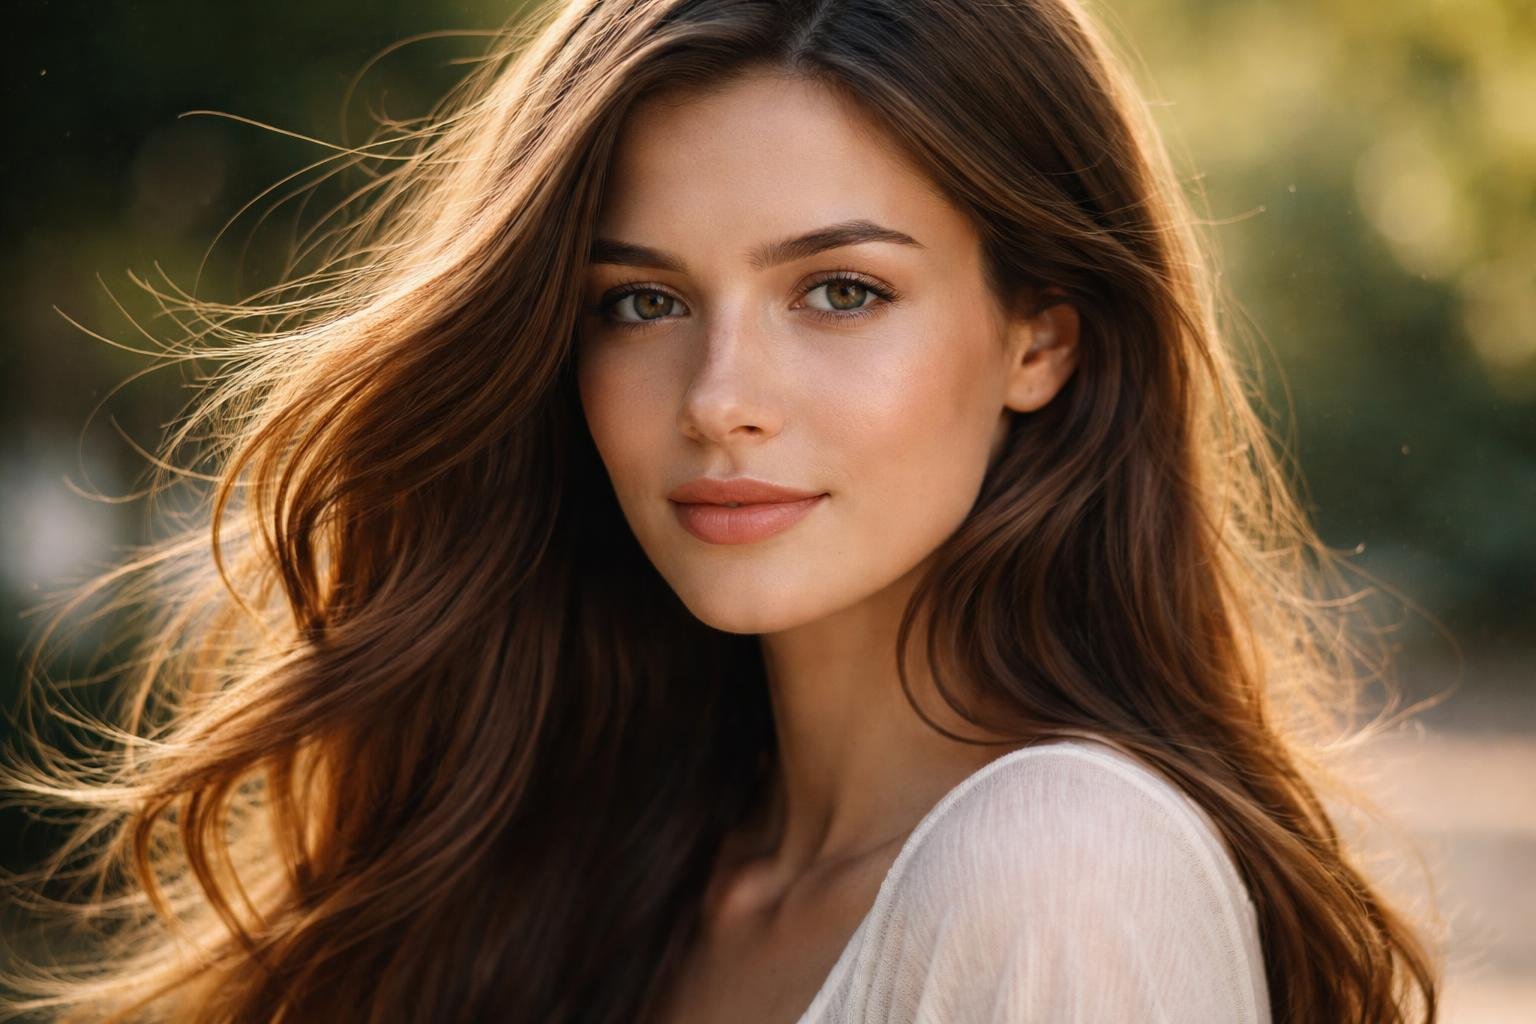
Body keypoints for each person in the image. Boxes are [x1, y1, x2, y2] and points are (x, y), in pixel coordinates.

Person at [3, 1, 1440, 1021]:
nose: (718, 397)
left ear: (1040, 339)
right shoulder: (605, 852)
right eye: (642, 301)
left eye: (841, 291)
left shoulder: (1063, 874)